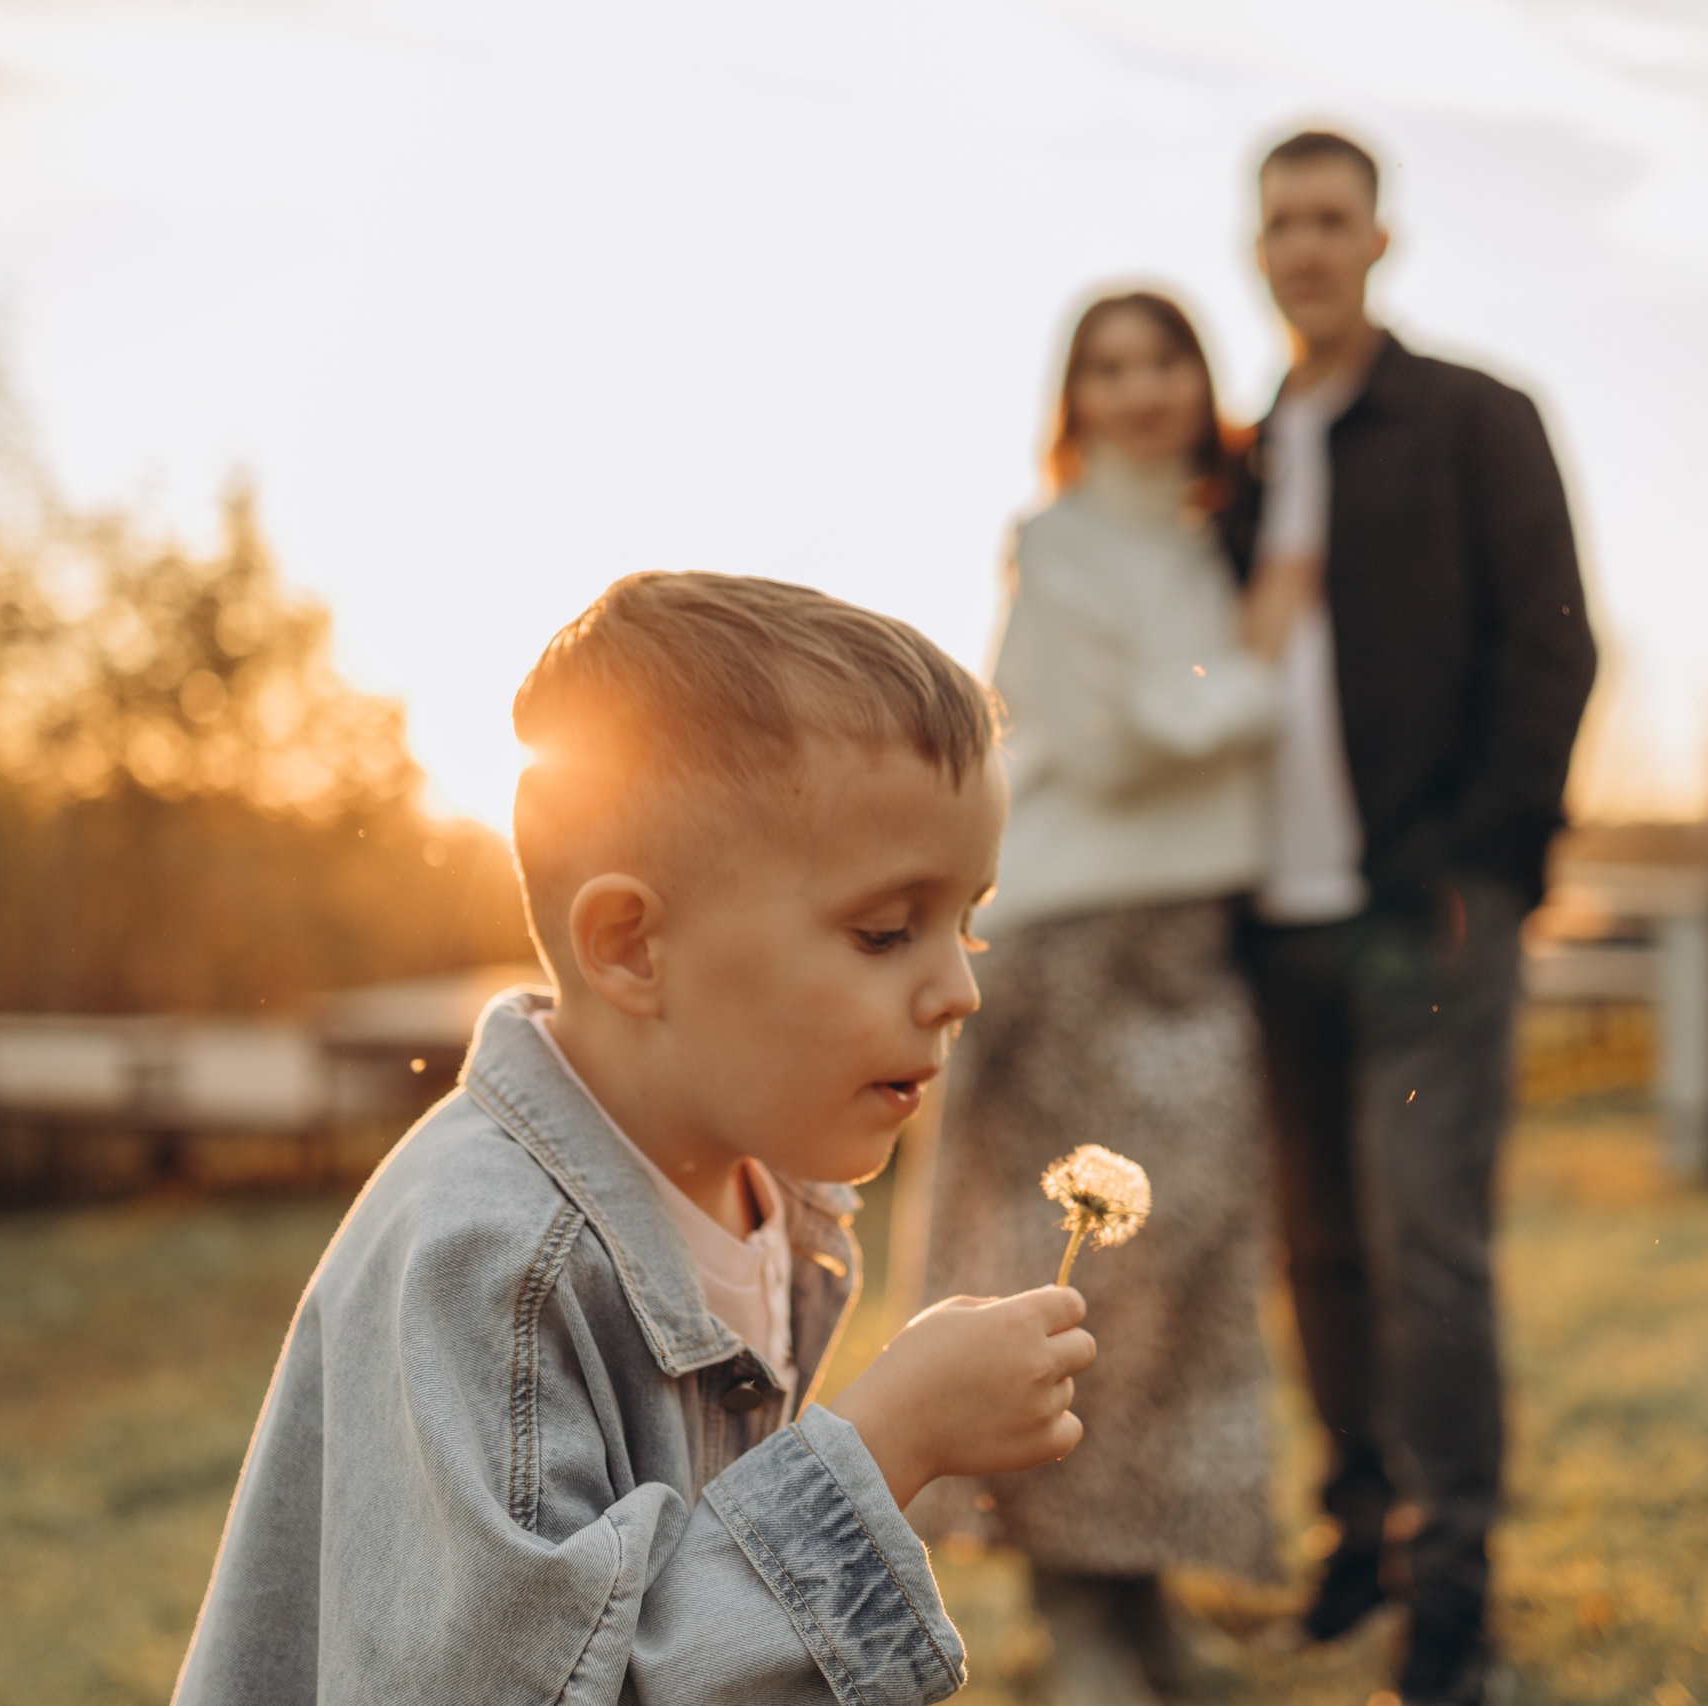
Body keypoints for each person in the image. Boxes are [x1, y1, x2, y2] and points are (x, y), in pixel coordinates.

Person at [173, 572, 1100, 1705]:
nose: (955, 987)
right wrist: (885, 1441)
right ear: (630, 946)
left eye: (967, 924)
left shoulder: (763, 1197)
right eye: (884, 931)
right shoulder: (497, 1268)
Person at [1217, 131, 1597, 1706]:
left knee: (1426, 1241)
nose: (1306, 246)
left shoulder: (1473, 418)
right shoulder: (1236, 459)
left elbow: (1553, 643)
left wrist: (1484, 858)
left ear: (1382, 240)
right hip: (1273, 922)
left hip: (1427, 908)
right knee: (1319, 1250)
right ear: (1258, 250)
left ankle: (1452, 1587)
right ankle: (1357, 1532)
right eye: (1281, 223)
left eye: (1332, 219)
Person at [915, 292, 1301, 1706]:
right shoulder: (1060, 543)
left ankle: (1139, 1603)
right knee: (1060, 1264)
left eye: (1164, 362)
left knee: (1174, 1283)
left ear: (1204, 382)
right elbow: (1148, 734)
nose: (1141, 390)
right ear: (1073, 401)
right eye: (1109, 368)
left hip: (1195, 936)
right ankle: (1076, 1616)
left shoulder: (1209, 534)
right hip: (1076, 934)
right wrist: (1266, 661)